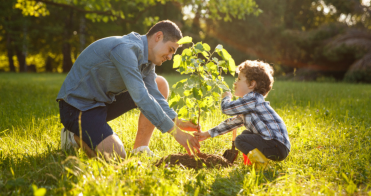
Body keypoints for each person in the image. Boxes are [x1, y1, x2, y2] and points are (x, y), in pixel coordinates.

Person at [57, 20, 200, 159]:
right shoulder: (125, 49)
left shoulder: (148, 61)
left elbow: (154, 94)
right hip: (77, 107)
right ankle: (73, 136)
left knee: (159, 83)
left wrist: (177, 121)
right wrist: (177, 133)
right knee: (116, 156)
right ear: (158, 37)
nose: (170, 57)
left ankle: (140, 149)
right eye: (170, 50)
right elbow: (142, 97)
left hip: (101, 103)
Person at [194, 60, 291, 169]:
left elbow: (226, 109)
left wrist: (226, 98)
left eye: (239, 79)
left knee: (240, 140)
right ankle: (251, 164)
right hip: (278, 146)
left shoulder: (252, 98)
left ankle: (261, 166)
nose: (235, 83)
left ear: (252, 84)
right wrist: (207, 134)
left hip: (275, 145)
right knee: (246, 134)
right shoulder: (250, 105)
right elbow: (231, 123)